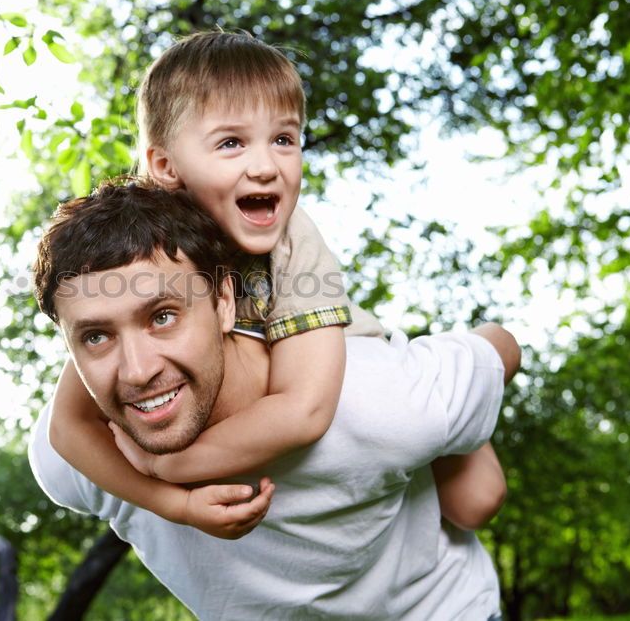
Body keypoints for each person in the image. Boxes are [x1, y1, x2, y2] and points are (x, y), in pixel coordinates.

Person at [47, 30, 506, 537]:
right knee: (467, 507)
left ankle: (477, 348)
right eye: (231, 143)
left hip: (347, 348)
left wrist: (170, 467)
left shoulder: (293, 239)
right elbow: (68, 428)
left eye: (284, 139)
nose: (266, 166)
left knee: (476, 501)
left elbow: (304, 410)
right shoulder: (138, 254)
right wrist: (171, 505)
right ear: (164, 165)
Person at [28, 183, 520, 619]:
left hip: (446, 610)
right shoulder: (75, 456)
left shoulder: (377, 395)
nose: (138, 371)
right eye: (95, 337)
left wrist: (450, 417)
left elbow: (500, 349)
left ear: (224, 302)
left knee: (477, 497)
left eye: (162, 317)